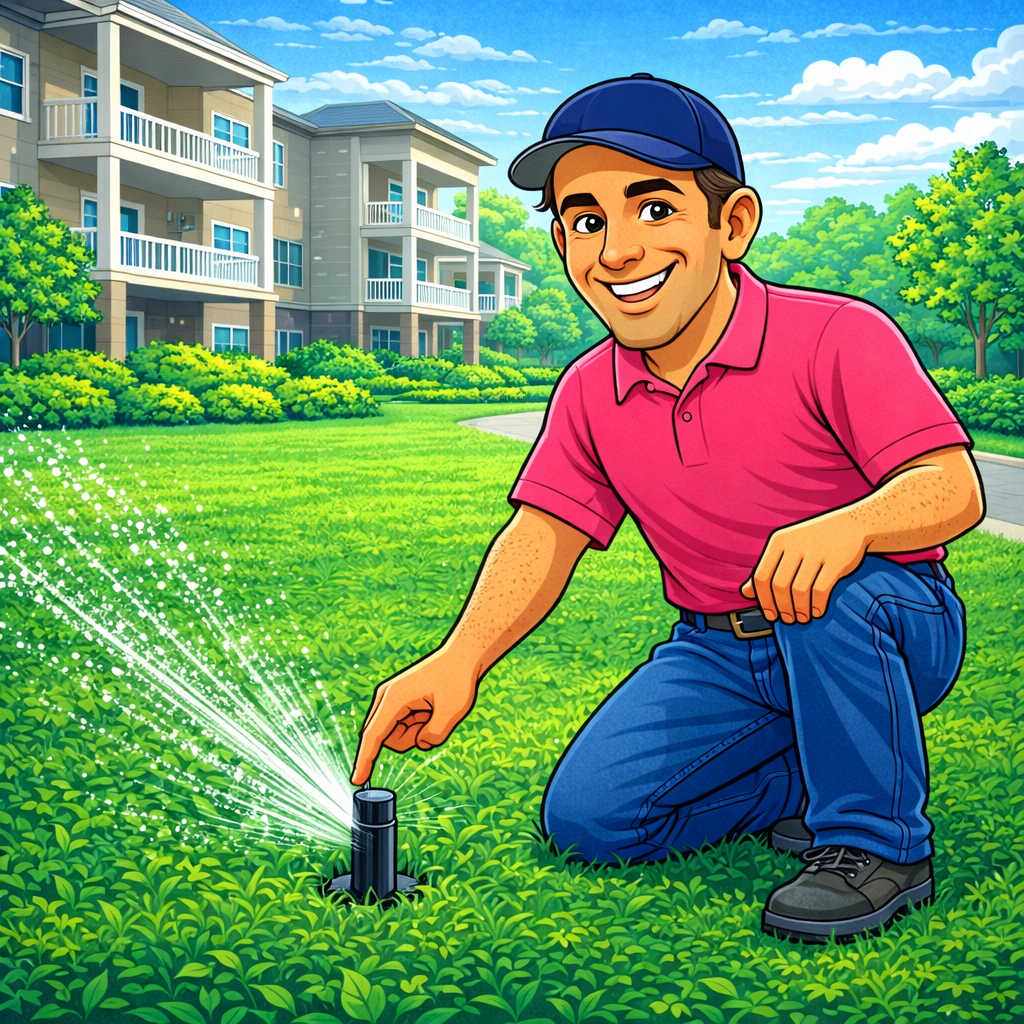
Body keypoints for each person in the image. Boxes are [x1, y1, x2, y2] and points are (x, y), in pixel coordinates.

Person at [350, 74, 985, 942]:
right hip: (717, 651)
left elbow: (951, 489)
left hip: (882, 626)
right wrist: (459, 659)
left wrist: (850, 528)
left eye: (652, 210)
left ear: (732, 225)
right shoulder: (588, 389)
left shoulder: (836, 335)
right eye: (584, 220)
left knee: (833, 593)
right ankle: (817, 770)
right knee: (594, 821)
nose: (616, 251)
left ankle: (878, 847)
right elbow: (545, 531)